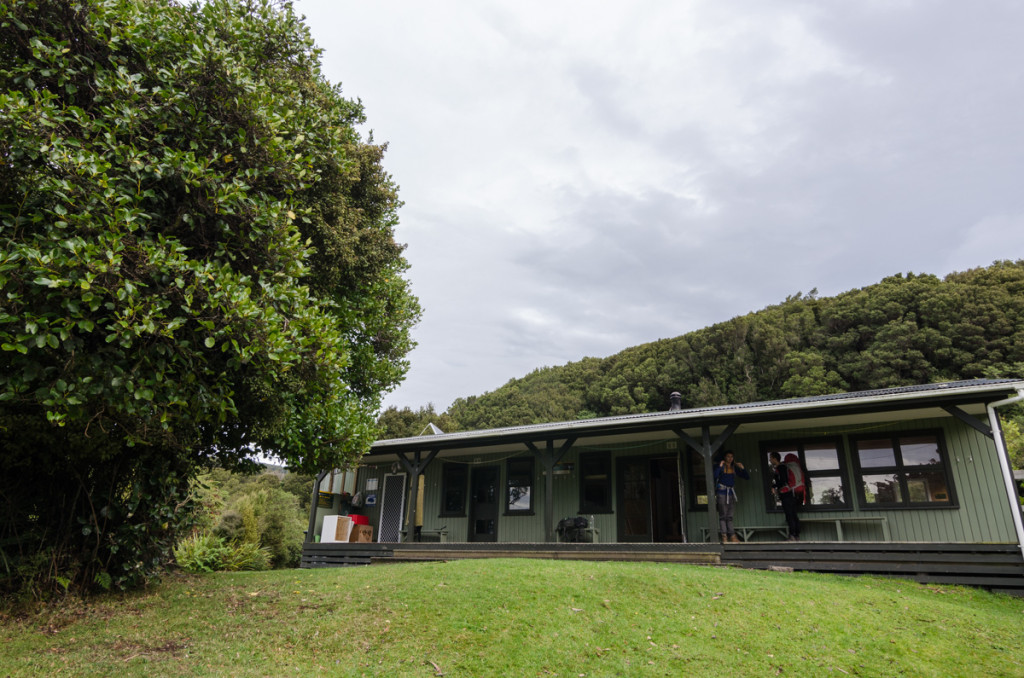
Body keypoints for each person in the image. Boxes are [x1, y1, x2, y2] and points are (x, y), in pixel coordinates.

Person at [713, 451, 749, 543]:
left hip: (731, 494)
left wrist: (742, 468)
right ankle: (724, 537)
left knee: (729, 517)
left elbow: (746, 477)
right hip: (721, 493)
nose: (730, 458)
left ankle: (732, 536)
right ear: (724, 457)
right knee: (723, 516)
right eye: (728, 456)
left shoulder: (734, 468)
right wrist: (720, 466)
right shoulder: (720, 467)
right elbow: (714, 476)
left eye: (732, 457)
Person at [770, 451, 806, 541]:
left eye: (770, 458)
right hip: (792, 493)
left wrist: (774, 486)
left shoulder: (781, 467)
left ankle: (792, 535)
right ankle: (796, 535)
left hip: (787, 493)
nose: (770, 460)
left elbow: (782, 480)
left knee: (789, 514)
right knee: (793, 514)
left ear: (775, 458)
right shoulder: (784, 467)